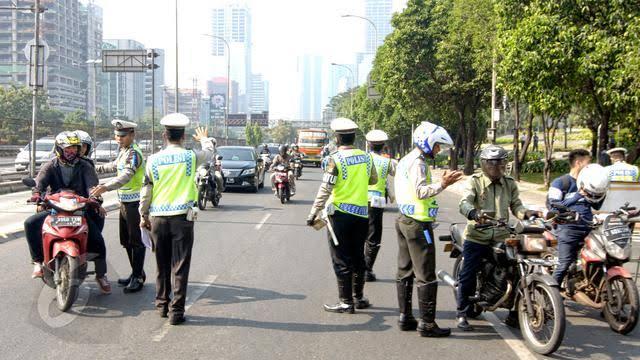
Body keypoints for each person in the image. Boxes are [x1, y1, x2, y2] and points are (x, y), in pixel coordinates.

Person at [139, 113, 215, 325]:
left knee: (161, 264)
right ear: (183, 136)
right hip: (182, 219)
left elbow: (147, 189)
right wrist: (204, 139)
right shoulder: (191, 156)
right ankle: (176, 312)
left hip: (158, 219)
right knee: (180, 266)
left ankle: (162, 305)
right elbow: (209, 153)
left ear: (164, 135)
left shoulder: (153, 159)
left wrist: (142, 215)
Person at [456, 145, 541, 331]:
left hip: (502, 235)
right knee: (468, 274)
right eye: (492, 164)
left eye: (500, 163)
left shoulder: (509, 183)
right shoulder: (475, 181)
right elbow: (465, 202)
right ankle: (462, 312)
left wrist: (527, 213)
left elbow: (516, 205)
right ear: (485, 164)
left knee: (517, 267)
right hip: (477, 236)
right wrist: (473, 213)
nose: (497, 167)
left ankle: (514, 313)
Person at [395, 121, 463, 337]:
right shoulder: (419, 163)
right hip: (417, 224)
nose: (438, 150)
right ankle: (427, 324)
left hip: (404, 219)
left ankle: (405, 317)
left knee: (405, 270)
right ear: (427, 142)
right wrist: (443, 185)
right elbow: (421, 191)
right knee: (426, 274)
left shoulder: (405, 159)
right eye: (437, 146)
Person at [306, 118, 378, 314]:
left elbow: (325, 189)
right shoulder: (366, 157)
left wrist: (313, 213)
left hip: (340, 216)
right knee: (358, 257)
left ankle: (346, 302)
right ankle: (359, 297)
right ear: (354, 137)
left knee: (341, 259)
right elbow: (374, 180)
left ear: (337, 138)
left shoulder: (334, 159)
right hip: (362, 216)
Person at [25, 131, 111, 294]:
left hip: (79, 210)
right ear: (59, 149)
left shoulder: (85, 166)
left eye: (75, 149)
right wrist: (36, 195)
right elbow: (39, 184)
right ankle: (37, 261)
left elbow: (92, 187)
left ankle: (101, 275)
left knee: (98, 240)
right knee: (30, 224)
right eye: (68, 149)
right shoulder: (50, 165)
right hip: (55, 209)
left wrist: (95, 199)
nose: (72, 152)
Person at [90, 119, 147, 293]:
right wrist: (92, 167)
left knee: (136, 241)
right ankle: (136, 272)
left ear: (132, 135)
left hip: (135, 203)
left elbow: (126, 175)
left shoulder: (134, 154)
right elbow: (114, 166)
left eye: (122, 136)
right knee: (127, 241)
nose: (118, 139)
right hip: (124, 202)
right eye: (116, 136)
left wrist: (106, 187)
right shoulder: (124, 151)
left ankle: (138, 277)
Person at [547, 151, 608, 289]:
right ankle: (551, 297)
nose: (590, 167)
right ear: (578, 163)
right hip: (567, 228)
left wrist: (602, 192)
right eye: (588, 163)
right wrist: (577, 196)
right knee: (564, 263)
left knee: (602, 258)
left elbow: (596, 205)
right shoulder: (560, 183)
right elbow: (553, 207)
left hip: (588, 227)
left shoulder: (590, 182)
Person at [363, 129, 396, 282]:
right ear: (383, 146)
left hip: (359, 201)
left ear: (368, 144)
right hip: (376, 204)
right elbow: (399, 173)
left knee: (359, 235)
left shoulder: (362, 159)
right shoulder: (387, 161)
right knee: (373, 237)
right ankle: (366, 270)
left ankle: (358, 268)